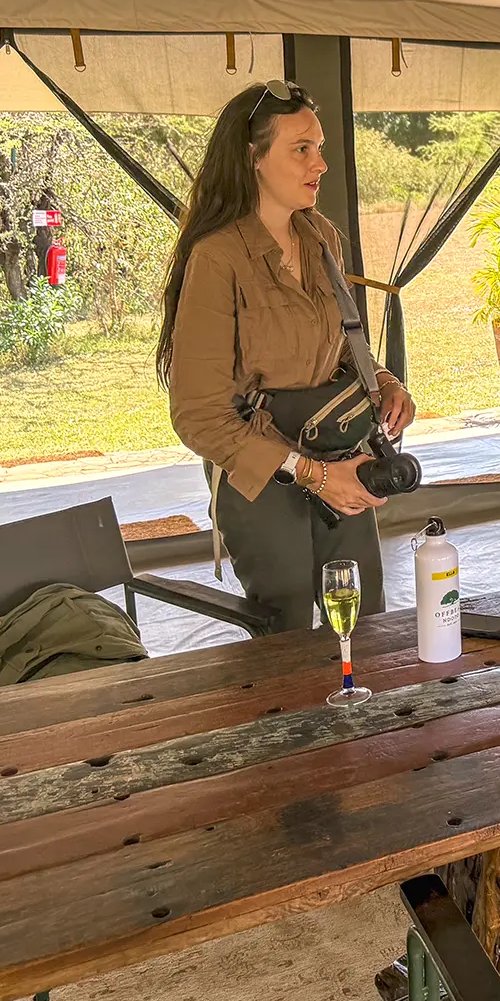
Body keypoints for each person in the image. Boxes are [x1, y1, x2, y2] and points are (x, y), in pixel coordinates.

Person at [158, 80, 415, 633]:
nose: (320, 163)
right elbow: (198, 415)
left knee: (366, 627)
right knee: (289, 638)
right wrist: (311, 474)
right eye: (301, 149)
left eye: (319, 147)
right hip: (266, 478)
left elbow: (340, 345)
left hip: (343, 456)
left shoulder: (320, 235)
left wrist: (385, 384)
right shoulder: (218, 258)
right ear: (253, 158)